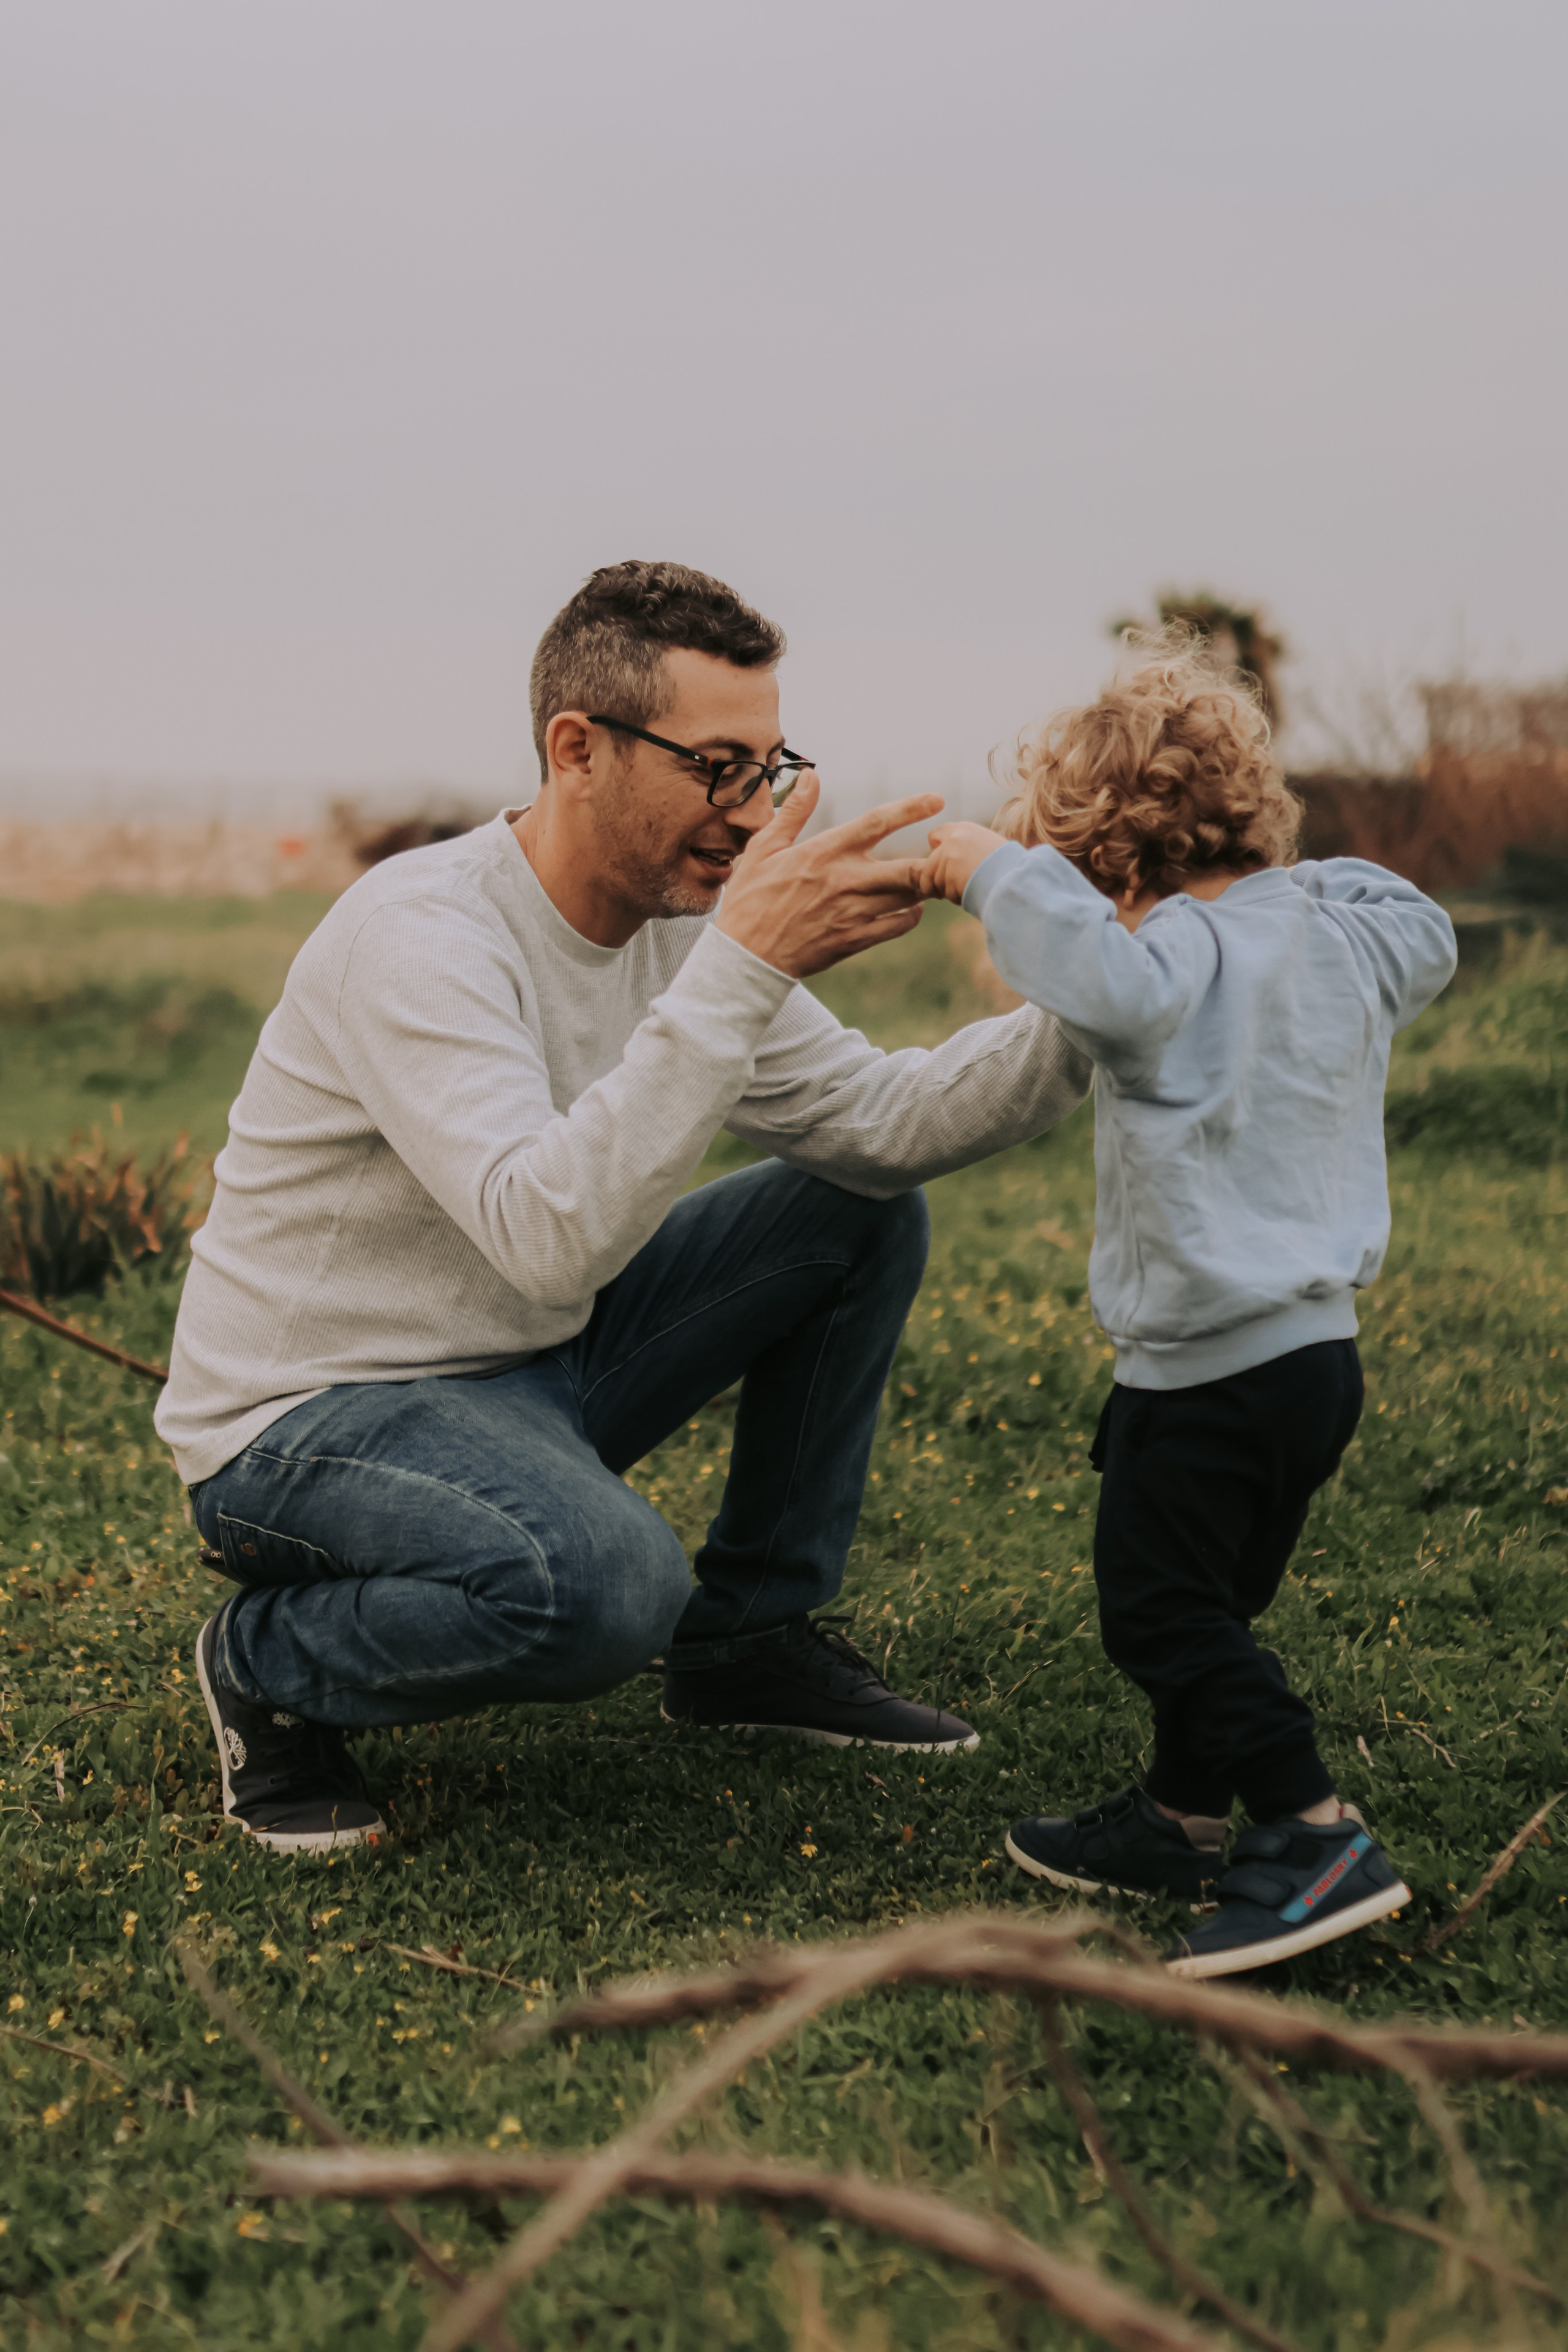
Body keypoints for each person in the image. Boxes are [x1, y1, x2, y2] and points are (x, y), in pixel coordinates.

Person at [157, 560, 1092, 1853]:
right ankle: (267, 1663)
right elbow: (543, 1240)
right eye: (717, 766)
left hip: (532, 1370)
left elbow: (880, 1126)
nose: (753, 810)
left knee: (853, 1209)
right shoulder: (422, 938)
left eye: (768, 767)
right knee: (600, 1588)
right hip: (309, 1420)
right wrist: (747, 960)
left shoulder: (674, 927)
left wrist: (1104, 1003)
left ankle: (749, 1645)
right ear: (576, 748)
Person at [919, 633, 1457, 1978]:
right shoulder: (1339, 937)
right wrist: (1296, 872)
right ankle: (1177, 1815)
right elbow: (1425, 927)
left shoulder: (1164, 971)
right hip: (1313, 1364)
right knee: (1213, 1597)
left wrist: (979, 866)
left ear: (1104, 865)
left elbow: (1101, 978)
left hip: (1206, 1369)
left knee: (1159, 1612)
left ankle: (1310, 1829)